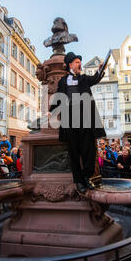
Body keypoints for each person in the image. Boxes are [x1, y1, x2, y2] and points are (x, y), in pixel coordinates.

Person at [49, 52, 106, 194]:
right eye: (76, 62)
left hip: (86, 118)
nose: (79, 64)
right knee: (73, 152)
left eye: (80, 62)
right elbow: (58, 96)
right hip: (69, 120)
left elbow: (95, 79)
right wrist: (51, 111)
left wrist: (100, 69)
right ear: (70, 65)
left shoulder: (84, 78)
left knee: (89, 150)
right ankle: (79, 181)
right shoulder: (63, 81)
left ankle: (87, 177)